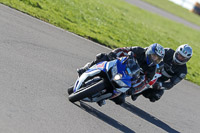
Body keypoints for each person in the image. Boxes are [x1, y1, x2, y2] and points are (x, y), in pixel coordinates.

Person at [77, 43, 165, 105]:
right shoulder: (139, 50)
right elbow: (123, 50)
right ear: (149, 52)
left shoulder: (152, 69)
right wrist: (113, 54)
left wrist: (134, 90)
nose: (155, 59)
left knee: (121, 99)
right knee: (102, 57)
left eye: (158, 59)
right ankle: (86, 68)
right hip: (120, 66)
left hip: (128, 79)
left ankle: (103, 97)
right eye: (154, 56)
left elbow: (144, 83)